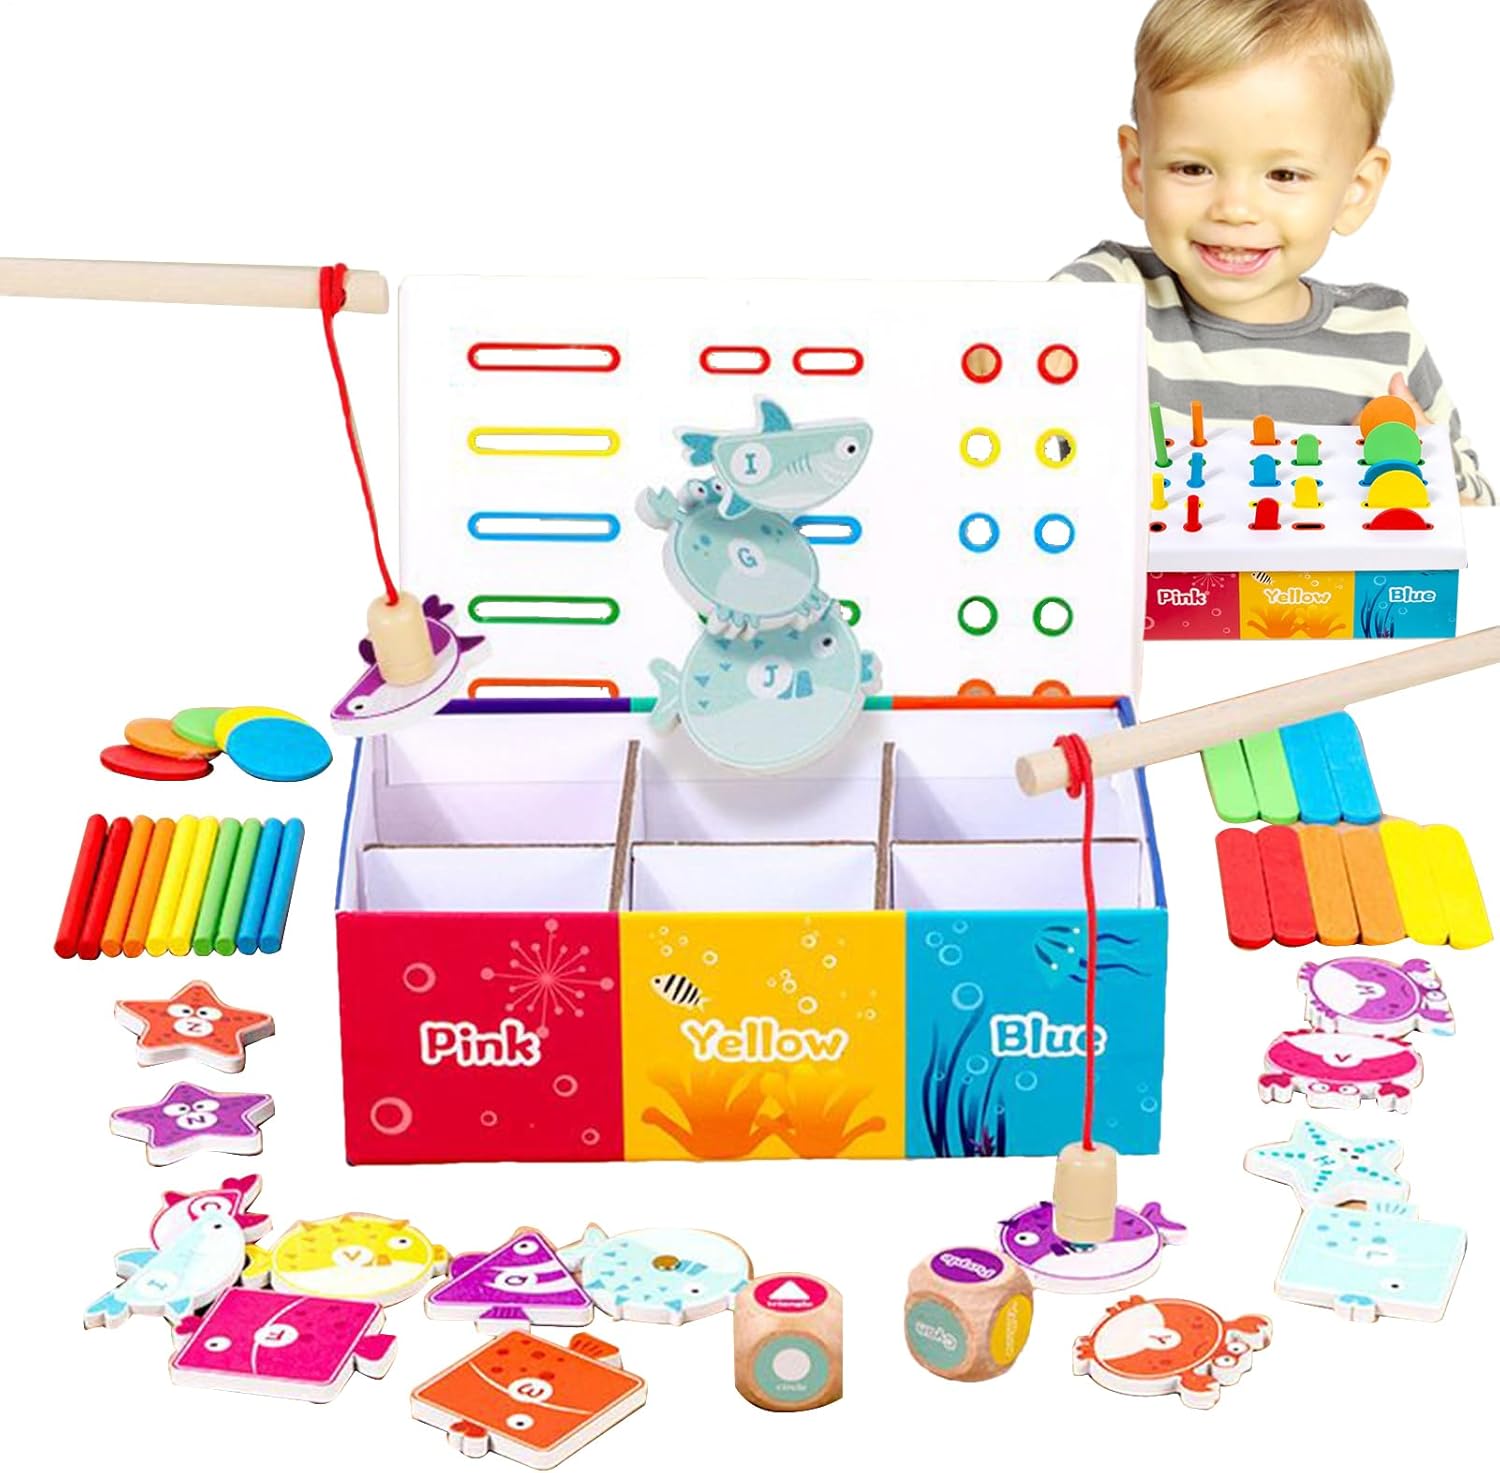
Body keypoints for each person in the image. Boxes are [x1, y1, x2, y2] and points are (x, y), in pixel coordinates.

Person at [1055, 0, 1490, 503]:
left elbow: (1479, 512)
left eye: (1284, 175)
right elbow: (1002, 364)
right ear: (1137, 172)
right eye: (1192, 169)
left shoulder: (1385, 340)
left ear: (1356, 190)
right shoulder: (1111, 294)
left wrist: (1429, 464)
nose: (1234, 209)